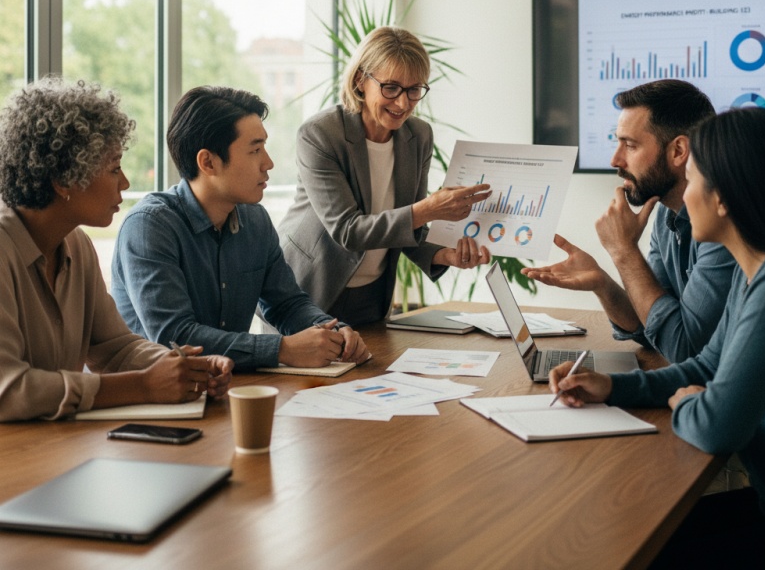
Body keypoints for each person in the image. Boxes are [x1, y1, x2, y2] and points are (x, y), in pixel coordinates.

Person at [548, 107, 765, 565]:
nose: (687, 194)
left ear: (723, 198)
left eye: (695, 179)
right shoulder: (759, 272)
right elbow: (706, 367)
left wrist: (685, 402)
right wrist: (612, 387)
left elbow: (718, 425)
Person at [0, 77, 233, 422]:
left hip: (51, 447)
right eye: (113, 168)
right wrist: (142, 386)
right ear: (64, 181)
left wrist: (184, 368)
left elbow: (115, 348)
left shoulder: (76, 245)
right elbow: (8, 391)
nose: (124, 182)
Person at [112, 86, 370, 370]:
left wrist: (333, 332)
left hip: (228, 389)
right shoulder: (149, 227)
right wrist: (282, 349)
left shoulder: (256, 221)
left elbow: (287, 304)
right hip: (156, 400)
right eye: (255, 150)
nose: (268, 163)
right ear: (208, 162)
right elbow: (174, 338)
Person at [278, 26, 492, 326]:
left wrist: (445, 255)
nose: (403, 103)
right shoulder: (320, 134)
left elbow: (408, 226)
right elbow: (347, 231)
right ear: (360, 81)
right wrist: (429, 208)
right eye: (391, 87)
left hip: (372, 296)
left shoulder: (418, 136)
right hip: (309, 291)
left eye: (414, 90)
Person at [523, 79, 736, 362]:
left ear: (678, 151)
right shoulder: (663, 211)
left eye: (630, 145)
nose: (615, 160)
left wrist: (623, 251)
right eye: (617, 143)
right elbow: (654, 327)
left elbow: (685, 349)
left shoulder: (726, 223)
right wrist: (603, 285)